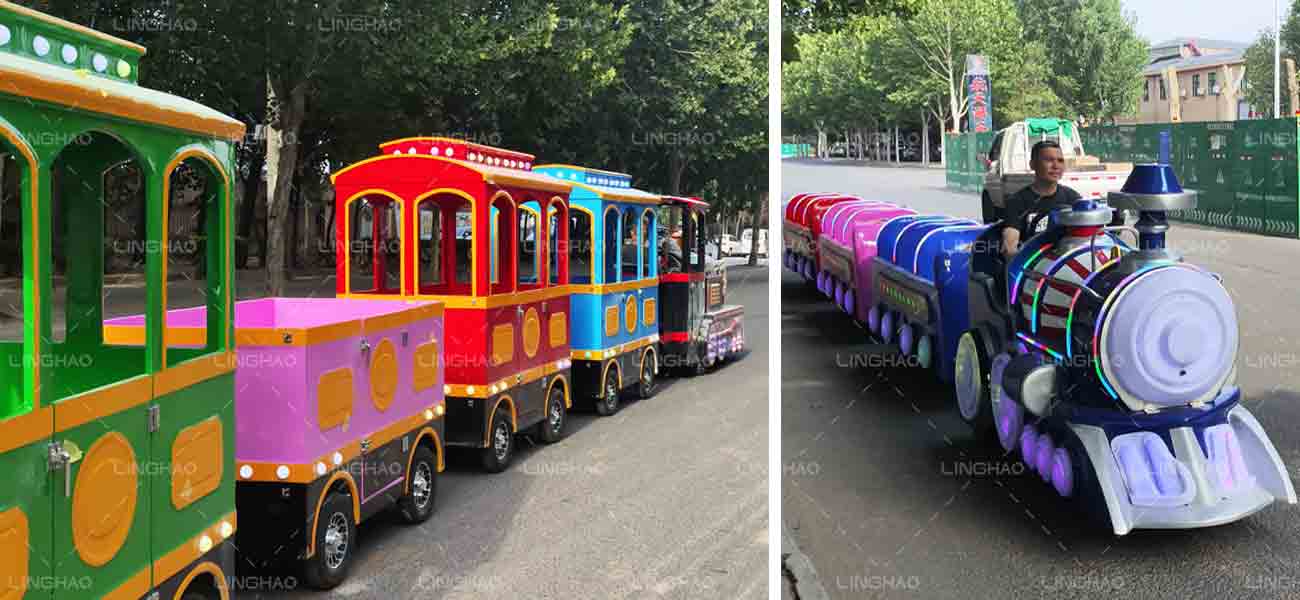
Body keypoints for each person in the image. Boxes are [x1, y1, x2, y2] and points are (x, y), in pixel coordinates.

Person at [1000, 140, 1082, 258]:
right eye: (1049, 160)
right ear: (1032, 164)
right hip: (1032, 266)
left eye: (1060, 161)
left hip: (1066, 265)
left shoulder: (1073, 198)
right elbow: (1010, 244)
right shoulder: (1017, 201)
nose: (1056, 166)